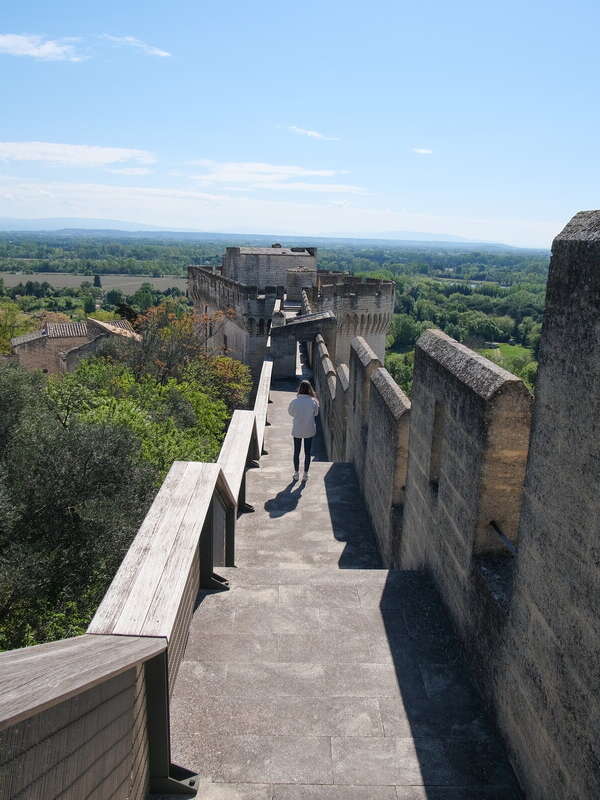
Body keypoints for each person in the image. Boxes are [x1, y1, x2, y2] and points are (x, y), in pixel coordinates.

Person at [287, 380, 319, 482]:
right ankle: (305, 474)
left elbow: (290, 413)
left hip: (297, 429)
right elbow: (316, 414)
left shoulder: (294, 402)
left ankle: (296, 473)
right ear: (310, 389)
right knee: (307, 453)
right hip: (309, 429)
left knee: (296, 452)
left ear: (300, 389)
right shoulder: (314, 402)